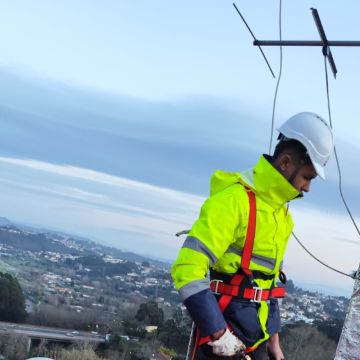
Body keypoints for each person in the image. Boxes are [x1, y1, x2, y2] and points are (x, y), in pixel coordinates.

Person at [171, 112, 333, 359]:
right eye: (307, 177)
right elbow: (186, 269)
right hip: (221, 342)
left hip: (256, 341)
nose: (308, 187)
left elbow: (268, 284)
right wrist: (218, 332)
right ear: (285, 163)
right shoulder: (233, 202)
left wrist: (273, 343)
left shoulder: (282, 217)